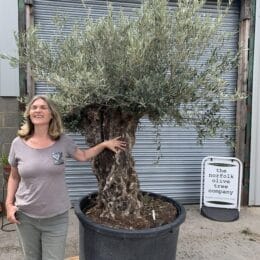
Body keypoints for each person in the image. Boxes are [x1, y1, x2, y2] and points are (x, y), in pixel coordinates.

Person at [6, 95, 126, 260]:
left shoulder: (62, 141)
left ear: (51, 114)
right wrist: (9, 204)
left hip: (56, 218)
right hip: (26, 217)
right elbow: (14, 177)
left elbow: (83, 156)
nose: (38, 110)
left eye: (43, 107)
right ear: (28, 114)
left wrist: (104, 144)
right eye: (34, 107)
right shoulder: (17, 143)